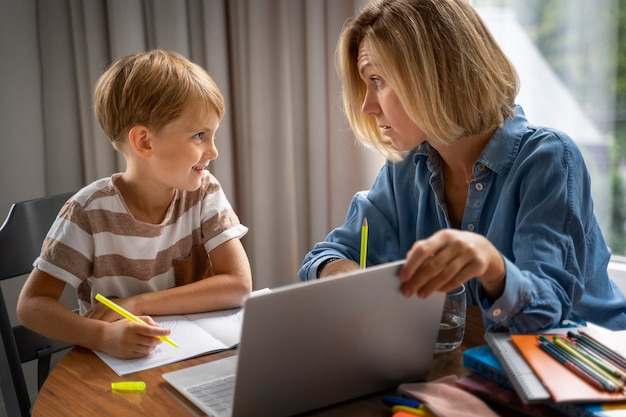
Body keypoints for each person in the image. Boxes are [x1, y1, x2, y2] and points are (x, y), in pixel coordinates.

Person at [298, 0, 626, 333]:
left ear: (435, 75)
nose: (368, 106)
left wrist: (492, 265)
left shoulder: (548, 158)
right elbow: (326, 254)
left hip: (591, 365)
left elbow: (546, 311)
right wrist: (344, 274)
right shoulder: (406, 168)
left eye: (378, 81)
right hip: (482, 362)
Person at [17, 50, 252, 359]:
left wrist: (136, 304)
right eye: (199, 136)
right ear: (144, 142)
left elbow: (238, 284)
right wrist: (103, 335)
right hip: (114, 367)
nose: (213, 151)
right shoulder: (88, 212)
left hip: (189, 356)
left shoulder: (204, 192)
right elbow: (32, 306)